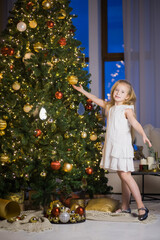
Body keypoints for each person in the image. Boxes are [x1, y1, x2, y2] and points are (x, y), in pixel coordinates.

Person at [73, 80, 152, 221]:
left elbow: (135, 123)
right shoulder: (110, 107)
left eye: (122, 92)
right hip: (113, 146)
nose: (118, 93)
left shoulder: (127, 109)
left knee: (126, 176)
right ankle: (125, 206)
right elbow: (97, 100)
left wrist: (143, 134)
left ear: (127, 97)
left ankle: (141, 206)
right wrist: (83, 91)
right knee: (123, 176)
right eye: (116, 90)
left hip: (121, 147)